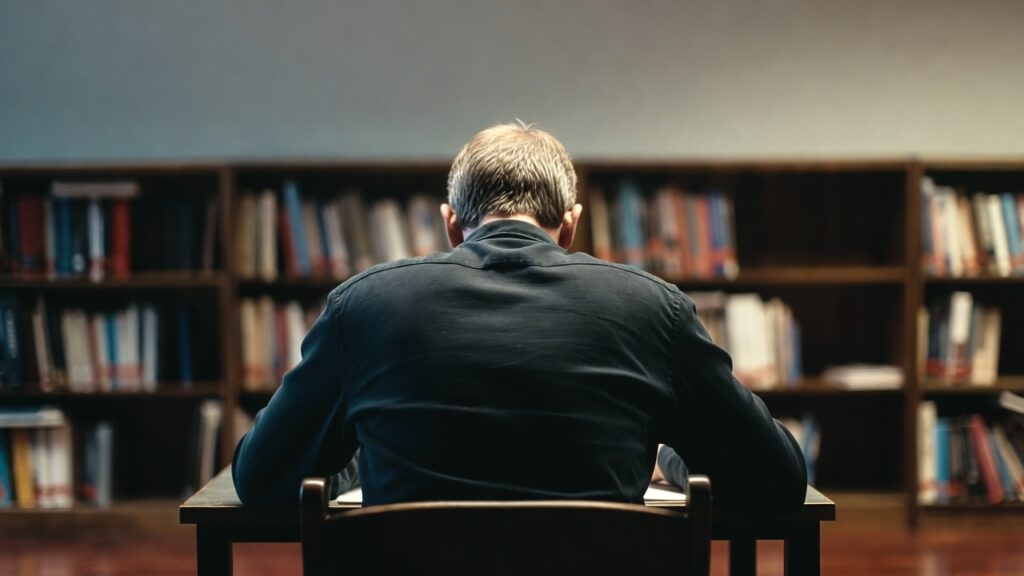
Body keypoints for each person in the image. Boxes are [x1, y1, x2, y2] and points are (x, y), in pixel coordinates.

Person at [232, 122, 807, 514]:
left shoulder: (362, 308)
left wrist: (364, 463)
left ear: (451, 224)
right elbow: (776, 481)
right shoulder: (654, 309)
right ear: (573, 222)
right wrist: (674, 461)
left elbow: (260, 480)